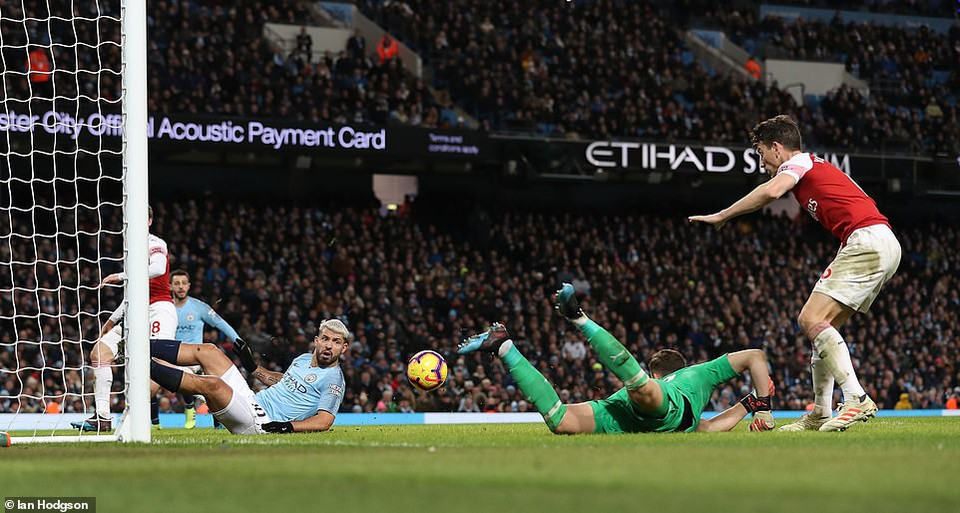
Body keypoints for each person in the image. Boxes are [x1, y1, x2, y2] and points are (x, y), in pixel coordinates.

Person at [688, 115, 901, 432]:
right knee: (822, 332)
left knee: (809, 319)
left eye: (761, 153)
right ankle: (820, 413)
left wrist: (724, 214)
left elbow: (772, 192)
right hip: (879, 241)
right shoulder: (816, 166)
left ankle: (856, 398)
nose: (762, 163)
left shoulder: (798, 163)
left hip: (866, 239)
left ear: (776, 148)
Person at [457, 284, 775, 434]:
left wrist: (751, 405)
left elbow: (709, 428)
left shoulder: (692, 411)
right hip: (660, 408)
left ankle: (503, 347)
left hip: (622, 414)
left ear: (657, 369)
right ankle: (579, 318)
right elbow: (755, 356)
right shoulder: (693, 377)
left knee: (560, 421)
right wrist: (765, 411)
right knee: (643, 390)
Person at [73, 206, 178, 432]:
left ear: (150, 221)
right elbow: (133, 292)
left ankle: (134, 418)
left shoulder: (155, 243)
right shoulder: (132, 250)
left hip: (158, 310)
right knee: (99, 352)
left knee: (159, 368)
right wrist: (111, 321)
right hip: (135, 313)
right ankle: (102, 417)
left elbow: (158, 268)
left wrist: (120, 275)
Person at [148, 319, 348, 435]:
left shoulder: (333, 378)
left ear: (344, 347)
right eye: (325, 339)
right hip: (252, 401)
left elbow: (325, 421)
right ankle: (140, 343)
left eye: (336, 342)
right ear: (316, 340)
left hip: (262, 422)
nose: (329, 345)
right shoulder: (303, 359)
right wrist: (252, 366)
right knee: (208, 351)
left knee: (214, 385)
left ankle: (141, 364)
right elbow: (283, 381)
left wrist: (287, 427)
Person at [170, 269, 244, 428]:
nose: (181, 287)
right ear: (170, 286)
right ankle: (189, 407)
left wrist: (238, 341)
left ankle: (204, 414)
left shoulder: (198, 307)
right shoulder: (165, 308)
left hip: (197, 356)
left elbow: (220, 323)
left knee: (202, 379)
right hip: (175, 355)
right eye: (177, 284)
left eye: (184, 283)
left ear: (189, 286)